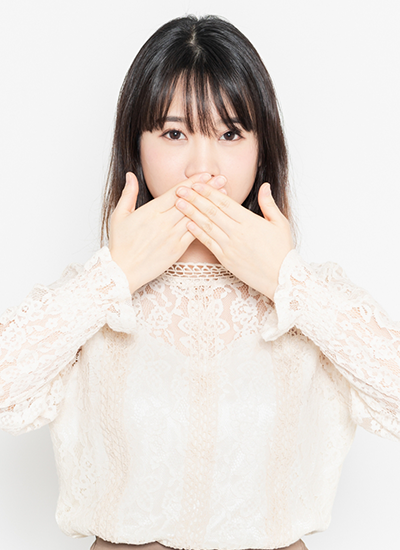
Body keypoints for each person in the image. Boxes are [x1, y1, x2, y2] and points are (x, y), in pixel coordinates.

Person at [0, 14, 399, 550]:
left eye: (230, 133)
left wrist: (289, 283)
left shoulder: (309, 300)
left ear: (262, 148)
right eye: (174, 133)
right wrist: (112, 277)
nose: (202, 168)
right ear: (136, 146)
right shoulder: (96, 298)